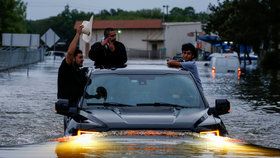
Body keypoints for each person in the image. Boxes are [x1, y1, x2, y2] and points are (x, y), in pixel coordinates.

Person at [57, 25, 88, 106]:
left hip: (80, 106)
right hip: (67, 107)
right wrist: (78, 34)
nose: (83, 59)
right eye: (80, 57)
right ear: (73, 58)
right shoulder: (66, 67)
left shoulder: (82, 72)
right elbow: (70, 53)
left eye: (83, 57)